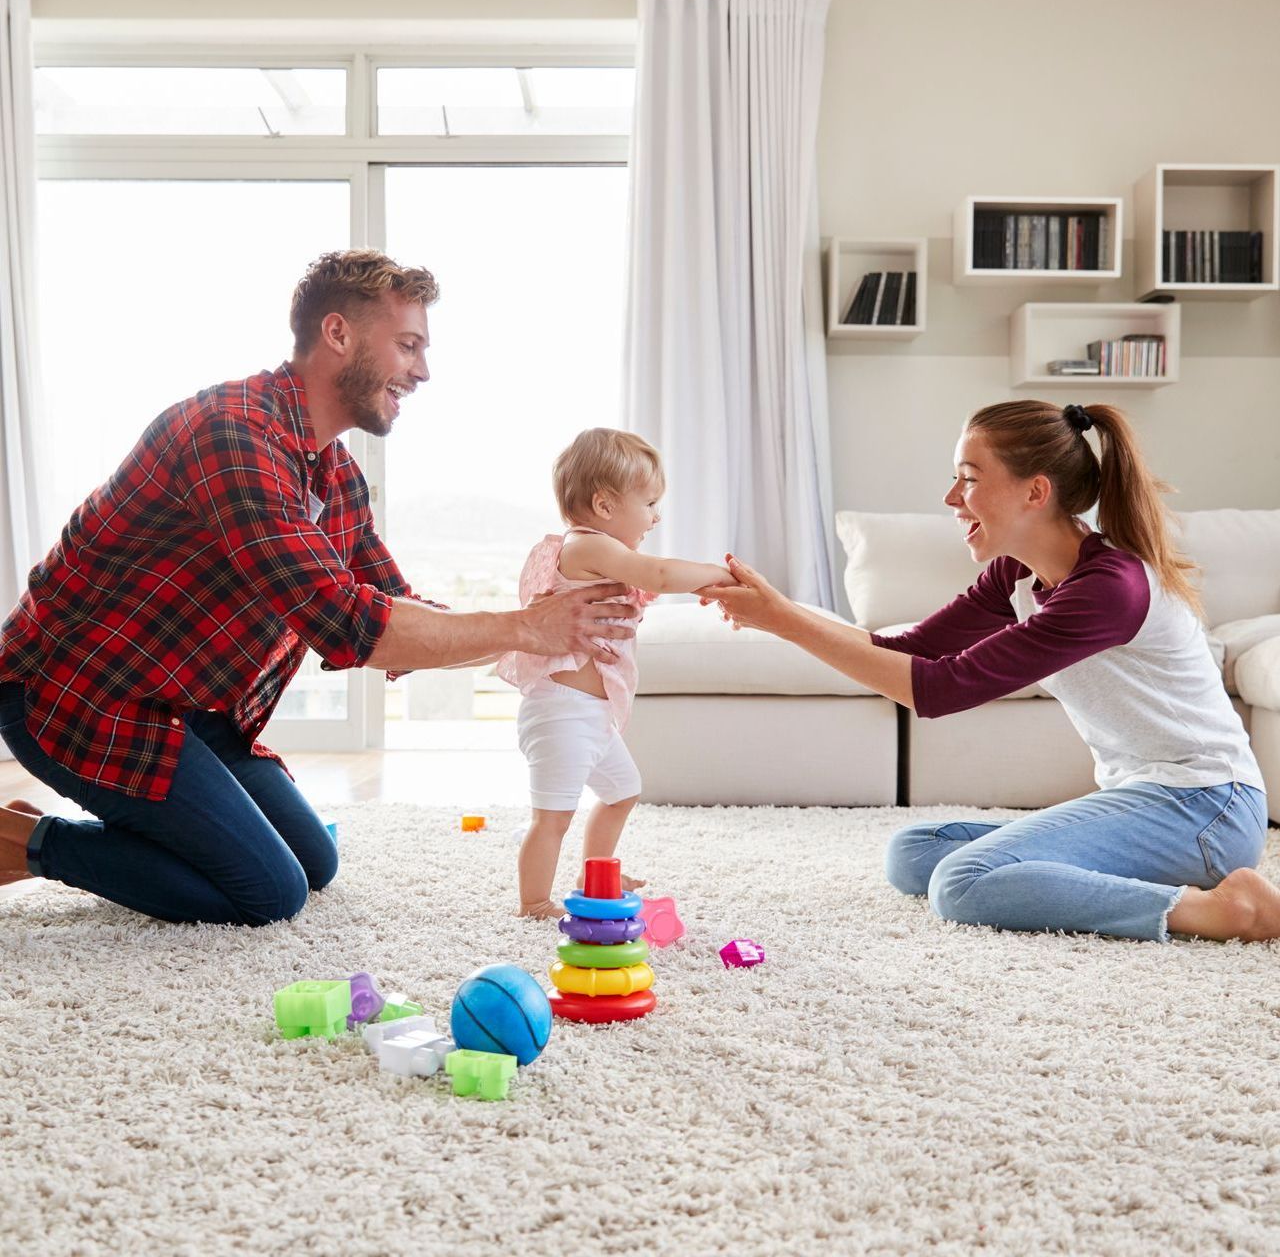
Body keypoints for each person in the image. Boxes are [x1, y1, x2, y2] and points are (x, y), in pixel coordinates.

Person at [0, 250, 638, 925]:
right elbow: (349, 623)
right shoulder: (235, 436)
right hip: (80, 697)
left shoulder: (334, 474)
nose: (422, 371)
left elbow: (397, 608)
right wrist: (522, 629)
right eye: (409, 345)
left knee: (314, 863)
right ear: (339, 335)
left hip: (187, 708)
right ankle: (31, 843)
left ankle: (133, 837)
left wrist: (539, 630)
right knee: (267, 892)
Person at [702, 399, 1279, 944]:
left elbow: (938, 688)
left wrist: (782, 620)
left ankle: (1218, 910)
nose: (952, 496)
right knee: (915, 853)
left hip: (1206, 806)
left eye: (970, 477)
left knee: (962, 883)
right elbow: (913, 650)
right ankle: (1142, 881)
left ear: (1035, 491)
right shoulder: (1019, 574)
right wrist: (781, 610)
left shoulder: (1109, 588)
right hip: (1149, 799)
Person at [497, 428, 734, 919]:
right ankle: (533, 901)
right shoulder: (585, 547)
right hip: (561, 714)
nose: (656, 516)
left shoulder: (598, 551)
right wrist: (716, 573)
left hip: (592, 714)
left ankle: (595, 872)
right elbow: (661, 575)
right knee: (552, 818)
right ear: (604, 505)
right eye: (649, 503)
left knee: (622, 792)